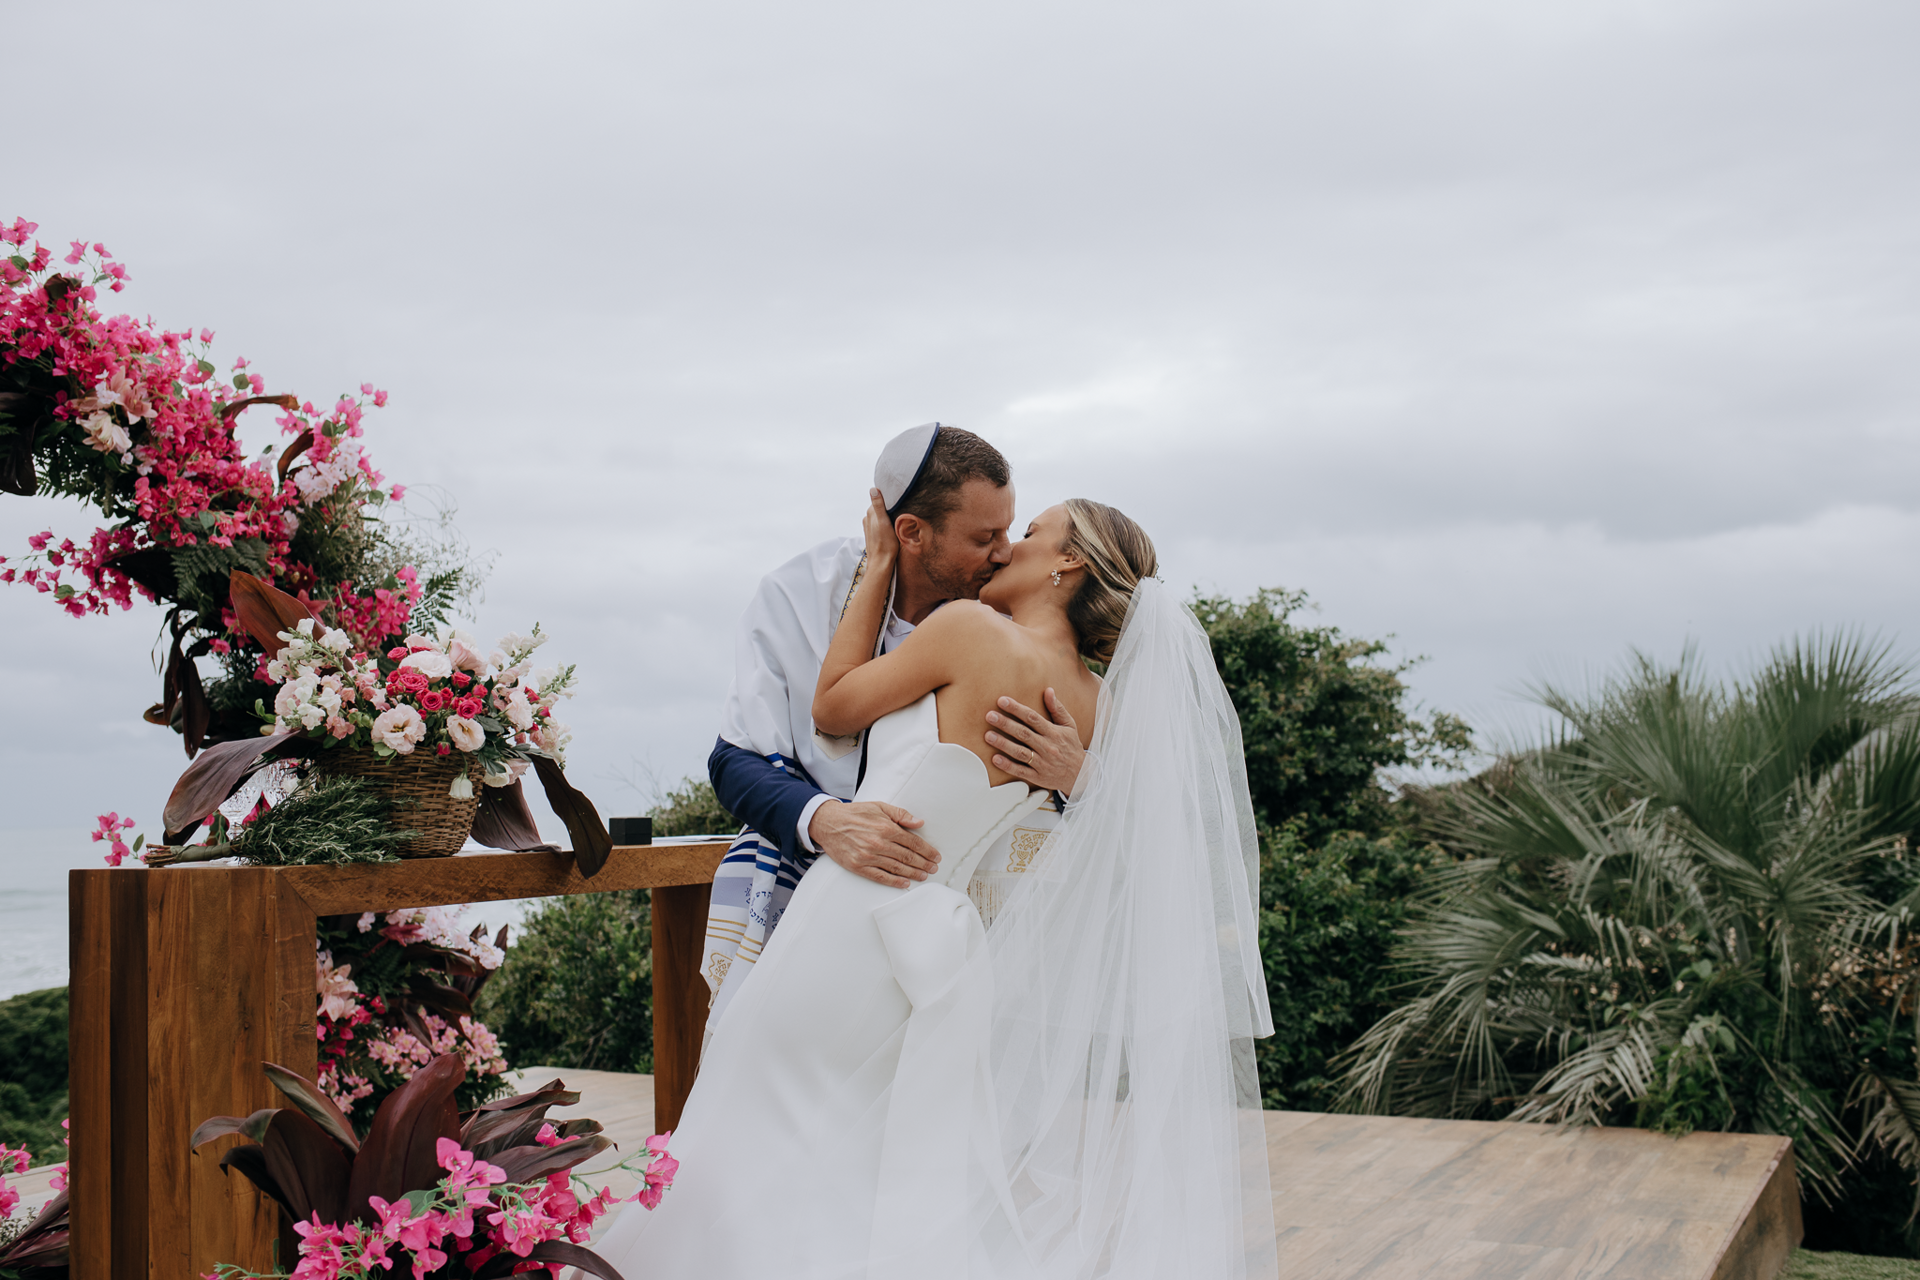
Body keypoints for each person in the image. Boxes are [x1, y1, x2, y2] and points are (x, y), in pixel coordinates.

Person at [593, 492, 1276, 1279]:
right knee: (860, 1149)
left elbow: (832, 708)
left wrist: (880, 565)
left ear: (1068, 563)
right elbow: (1145, 836)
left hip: (852, 918)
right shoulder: (1098, 704)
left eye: (1029, 533)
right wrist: (1086, 776)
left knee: (756, 1117)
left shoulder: (967, 630)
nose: (1005, 549)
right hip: (943, 946)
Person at [701, 424, 1088, 1022]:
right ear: (910, 531)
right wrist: (826, 821)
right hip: (807, 895)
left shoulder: (1008, 614)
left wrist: (1079, 773)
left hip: (960, 918)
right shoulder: (797, 594)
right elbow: (735, 758)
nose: (1006, 552)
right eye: (986, 535)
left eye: (1011, 530)